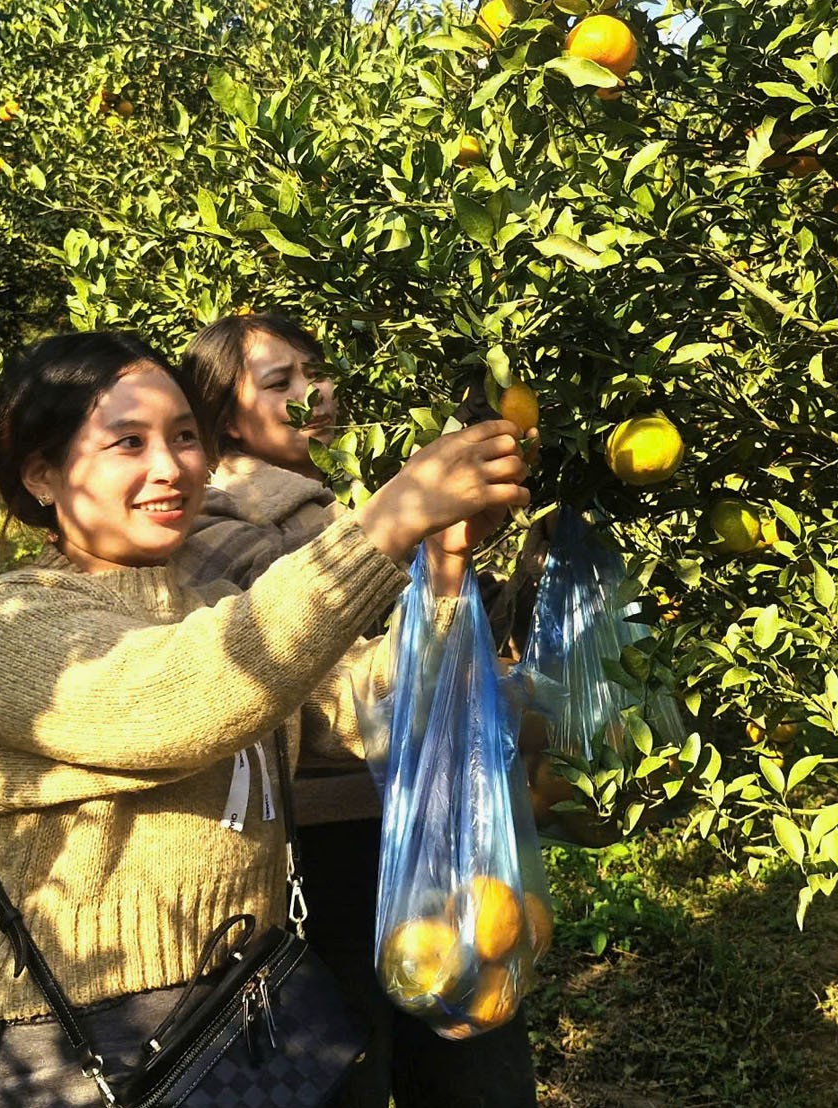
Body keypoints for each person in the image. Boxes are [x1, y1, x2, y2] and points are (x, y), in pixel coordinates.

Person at [0, 330, 528, 1106]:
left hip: (227, 1023)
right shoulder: (8, 623)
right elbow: (178, 700)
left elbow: (366, 707)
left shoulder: (207, 603)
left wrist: (441, 569)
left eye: (183, 437)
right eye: (127, 443)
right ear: (42, 474)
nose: (169, 466)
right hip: (68, 1046)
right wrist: (388, 522)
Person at [180, 311, 541, 1108]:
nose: (313, 394)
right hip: (332, 840)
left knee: (449, 1033)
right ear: (220, 413)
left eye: (315, 371)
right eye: (280, 383)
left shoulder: (340, 503)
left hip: (416, 813)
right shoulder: (219, 528)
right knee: (381, 1052)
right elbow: (318, 696)